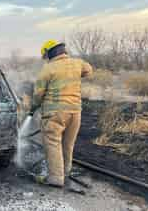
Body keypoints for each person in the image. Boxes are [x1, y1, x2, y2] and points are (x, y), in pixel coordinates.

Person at [30, 39, 93, 187]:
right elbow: (89, 70)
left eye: (46, 56)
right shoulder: (78, 63)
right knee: (68, 144)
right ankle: (66, 172)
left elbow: (38, 94)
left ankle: (56, 179)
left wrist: (34, 107)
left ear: (50, 53)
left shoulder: (48, 69)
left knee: (52, 143)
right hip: (75, 112)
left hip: (55, 114)